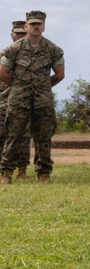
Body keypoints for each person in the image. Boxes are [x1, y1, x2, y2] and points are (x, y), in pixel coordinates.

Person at [0, 10, 65, 183]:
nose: (36, 27)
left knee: (43, 137)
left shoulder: (53, 50)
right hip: (19, 100)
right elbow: (3, 72)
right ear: (26, 26)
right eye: (33, 24)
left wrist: (42, 87)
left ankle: (43, 173)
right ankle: (6, 173)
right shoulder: (14, 49)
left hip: (43, 102)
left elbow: (59, 74)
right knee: (13, 136)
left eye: (39, 24)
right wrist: (18, 87)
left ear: (43, 27)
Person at [0, 22, 30, 178]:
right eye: (17, 34)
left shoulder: (32, 55)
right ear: (11, 35)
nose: (19, 37)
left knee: (24, 136)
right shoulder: (3, 54)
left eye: (22, 34)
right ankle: (3, 169)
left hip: (23, 101)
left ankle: (22, 170)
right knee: (3, 136)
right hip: (3, 102)